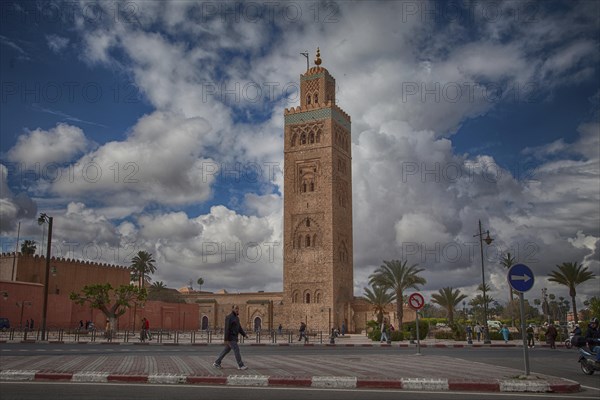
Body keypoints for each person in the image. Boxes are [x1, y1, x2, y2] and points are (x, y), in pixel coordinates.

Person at [213, 305, 248, 370]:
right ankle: (240, 365)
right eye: (235, 308)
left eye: (238, 308)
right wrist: (226, 339)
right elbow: (227, 329)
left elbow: (239, 328)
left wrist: (244, 334)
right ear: (232, 309)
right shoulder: (229, 317)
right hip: (231, 338)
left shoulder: (237, 318)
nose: (237, 310)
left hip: (234, 337)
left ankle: (217, 362)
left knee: (226, 351)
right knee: (236, 350)